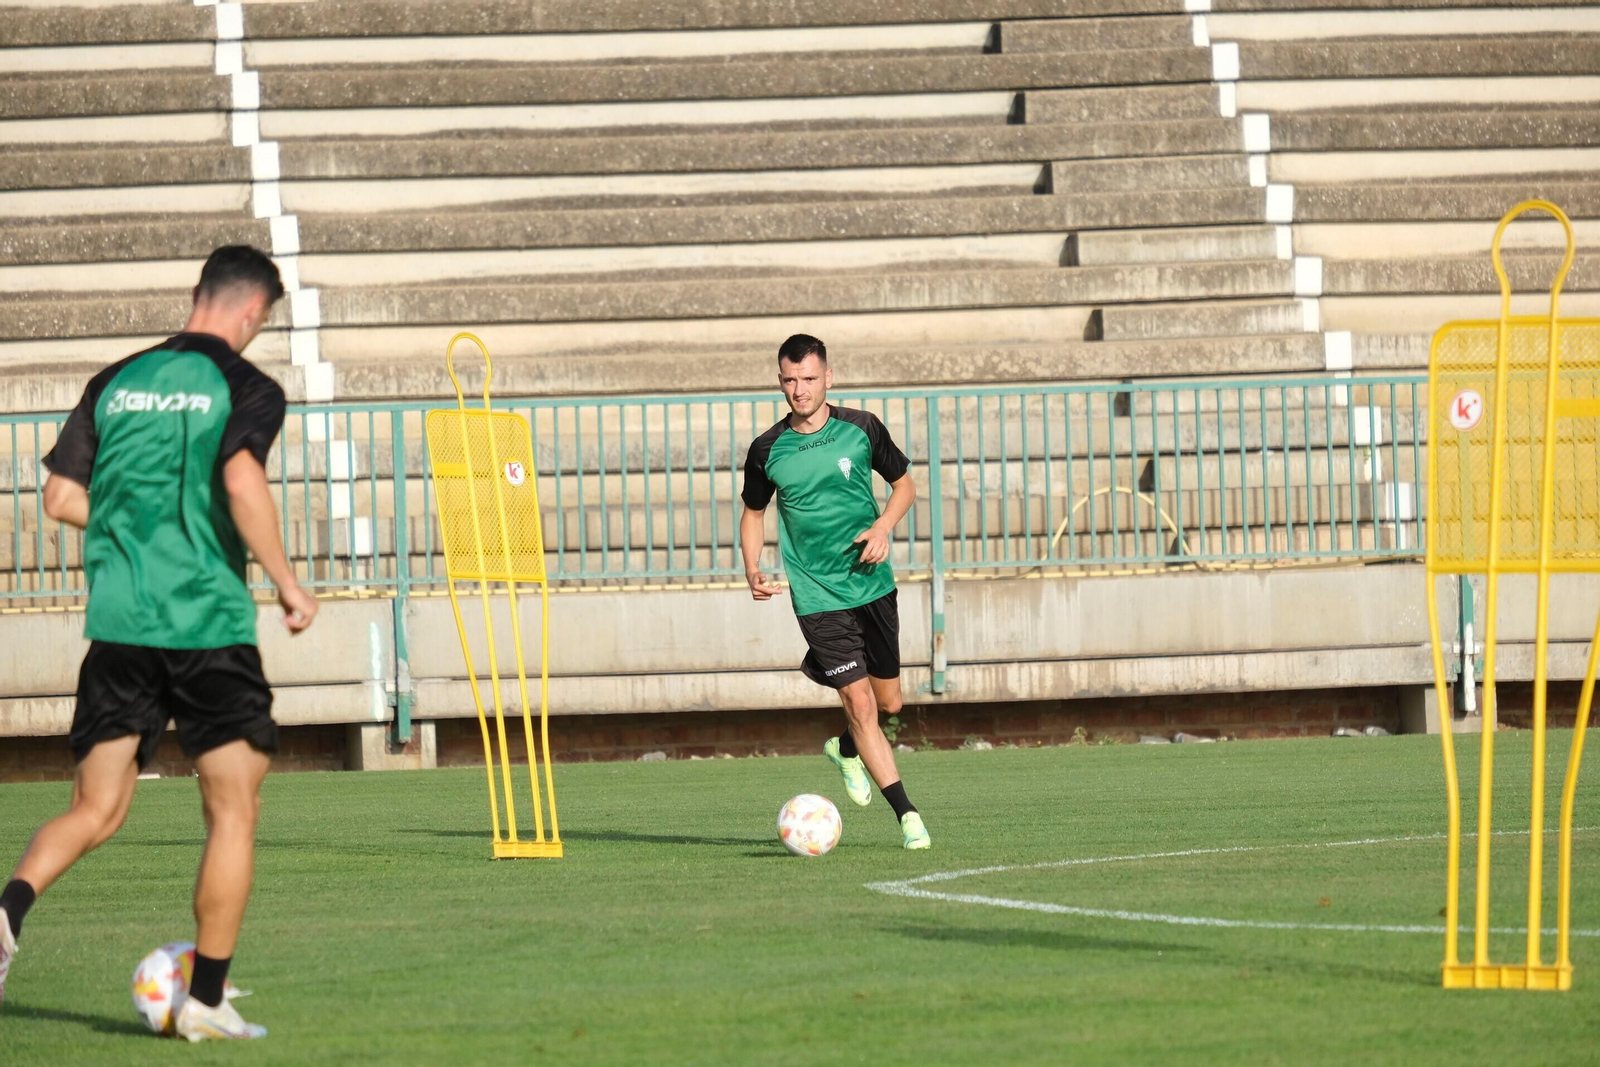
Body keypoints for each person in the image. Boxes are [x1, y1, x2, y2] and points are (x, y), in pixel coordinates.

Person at [0, 246, 318, 1040]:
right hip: (204, 624)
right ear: (253, 312)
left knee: (94, 809)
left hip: (119, 627)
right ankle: (204, 998)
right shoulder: (247, 386)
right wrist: (287, 582)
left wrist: (135, 527)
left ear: (197, 293)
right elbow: (240, 480)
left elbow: (61, 496)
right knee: (233, 811)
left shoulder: (114, 381)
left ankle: (6, 914)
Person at [740, 334, 929, 850]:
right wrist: (753, 567)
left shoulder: (862, 427)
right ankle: (908, 816)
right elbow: (753, 513)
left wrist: (883, 527)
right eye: (789, 380)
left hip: (871, 585)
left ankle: (845, 750)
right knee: (860, 702)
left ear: (828, 377)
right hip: (817, 595)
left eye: (808, 378)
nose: (799, 389)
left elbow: (905, 485)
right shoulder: (766, 449)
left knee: (889, 703)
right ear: (780, 382)